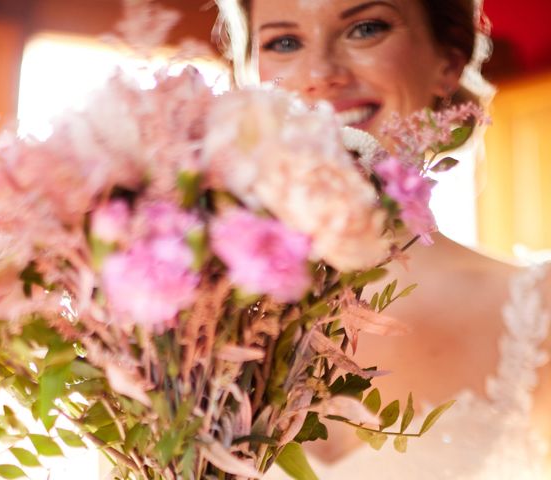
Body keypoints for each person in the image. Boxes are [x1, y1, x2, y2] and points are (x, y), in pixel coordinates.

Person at [214, 0, 551, 478]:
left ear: (448, 62)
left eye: (365, 28)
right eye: (284, 42)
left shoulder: (540, 310)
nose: (319, 73)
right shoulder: (187, 322)